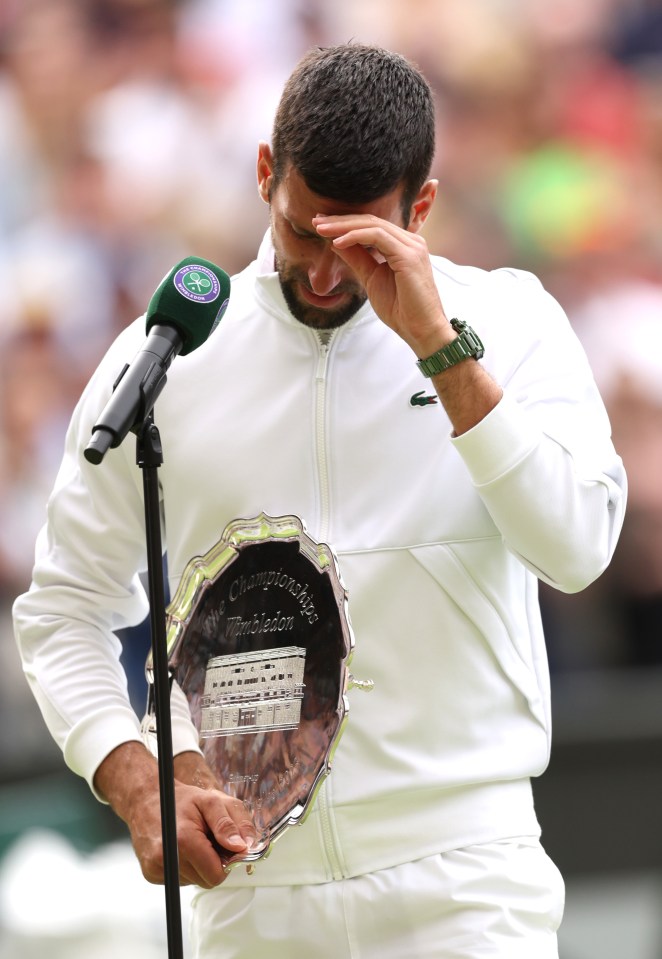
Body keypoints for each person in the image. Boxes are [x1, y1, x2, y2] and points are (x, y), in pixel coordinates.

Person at [13, 43, 626, 959]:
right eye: (305, 232)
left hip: (464, 880)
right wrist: (137, 781)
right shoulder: (171, 356)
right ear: (266, 174)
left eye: (361, 243)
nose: (328, 275)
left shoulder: (513, 324)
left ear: (421, 206)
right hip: (252, 890)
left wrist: (441, 350)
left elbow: (577, 548)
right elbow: (65, 608)